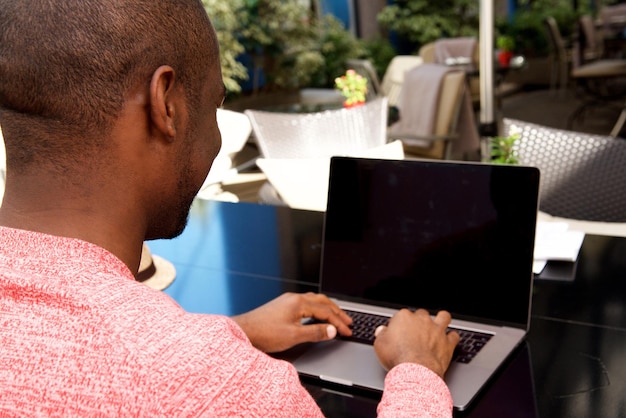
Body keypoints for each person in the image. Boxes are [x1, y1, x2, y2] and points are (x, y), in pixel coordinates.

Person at [0, 0, 459, 416]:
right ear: (166, 106)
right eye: (215, 105)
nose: (216, 137)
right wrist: (417, 369)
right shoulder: (216, 388)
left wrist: (227, 331)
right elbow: (165, 377)